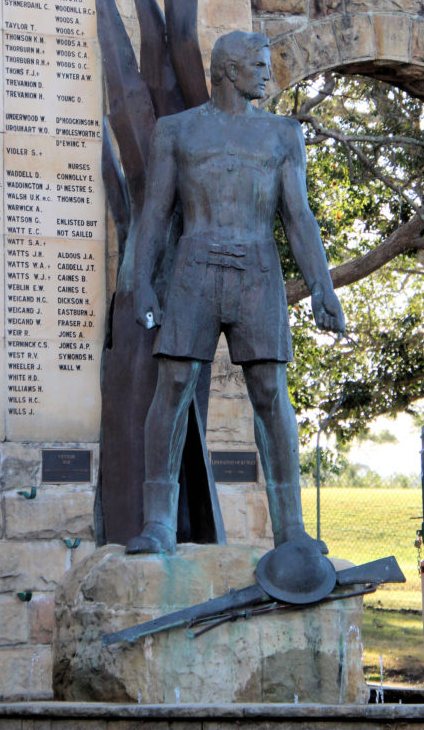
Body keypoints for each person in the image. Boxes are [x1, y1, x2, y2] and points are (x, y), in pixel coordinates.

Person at [126, 30, 345, 554]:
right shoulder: (177, 132)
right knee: (175, 384)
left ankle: (290, 529)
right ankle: (157, 521)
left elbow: (300, 218)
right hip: (194, 268)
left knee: (270, 392)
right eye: (260, 65)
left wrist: (322, 286)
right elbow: (154, 214)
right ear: (228, 70)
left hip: (257, 272)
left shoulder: (282, 134)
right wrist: (140, 285)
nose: (269, 74)